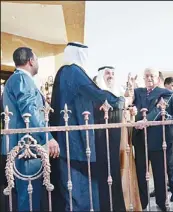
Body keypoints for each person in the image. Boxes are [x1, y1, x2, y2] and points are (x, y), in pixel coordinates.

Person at [49, 42, 125, 211]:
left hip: (68, 135)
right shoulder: (73, 71)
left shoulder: (63, 72)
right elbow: (95, 93)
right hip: (76, 139)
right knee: (79, 187)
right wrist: (119, 101)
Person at [1, 47, 60, 211]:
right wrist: (47, 137)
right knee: (29, 195)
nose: (38, 63)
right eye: (37, 60)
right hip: (26, 147)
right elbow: (30, 111)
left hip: (22, 146)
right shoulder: (22, 79)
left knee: (27, 194)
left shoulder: (14, 79)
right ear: (31, 61)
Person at [94, 65, 142, 211]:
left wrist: (132, 111)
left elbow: (125, 114)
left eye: (113, 73)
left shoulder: (118, 92)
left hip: (122, 141)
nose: (110, 76)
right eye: (107, 73)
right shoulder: (97, 93)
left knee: (123, 172)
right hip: (102, 141)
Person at [132, 68, 173, 211]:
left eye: (152, 76)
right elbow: (130, 104)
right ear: (143, 78)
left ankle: (162, 202)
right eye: (146, 76)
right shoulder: (138, 93)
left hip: (158, 140)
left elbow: (160, 110)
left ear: (158, 78)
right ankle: (143, 203)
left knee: (159, 173)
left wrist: (143, 120)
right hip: (140, 141)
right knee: (141, 173)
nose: (149, 78)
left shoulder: (166, 93)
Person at [150, 76, 173, 202]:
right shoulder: (159, 96)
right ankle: (159, 189)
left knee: (171, 164)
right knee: (159, 166)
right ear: (165, 85)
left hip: (170, 136)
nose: (172, 89)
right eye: (170, 86)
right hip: (157, 136)